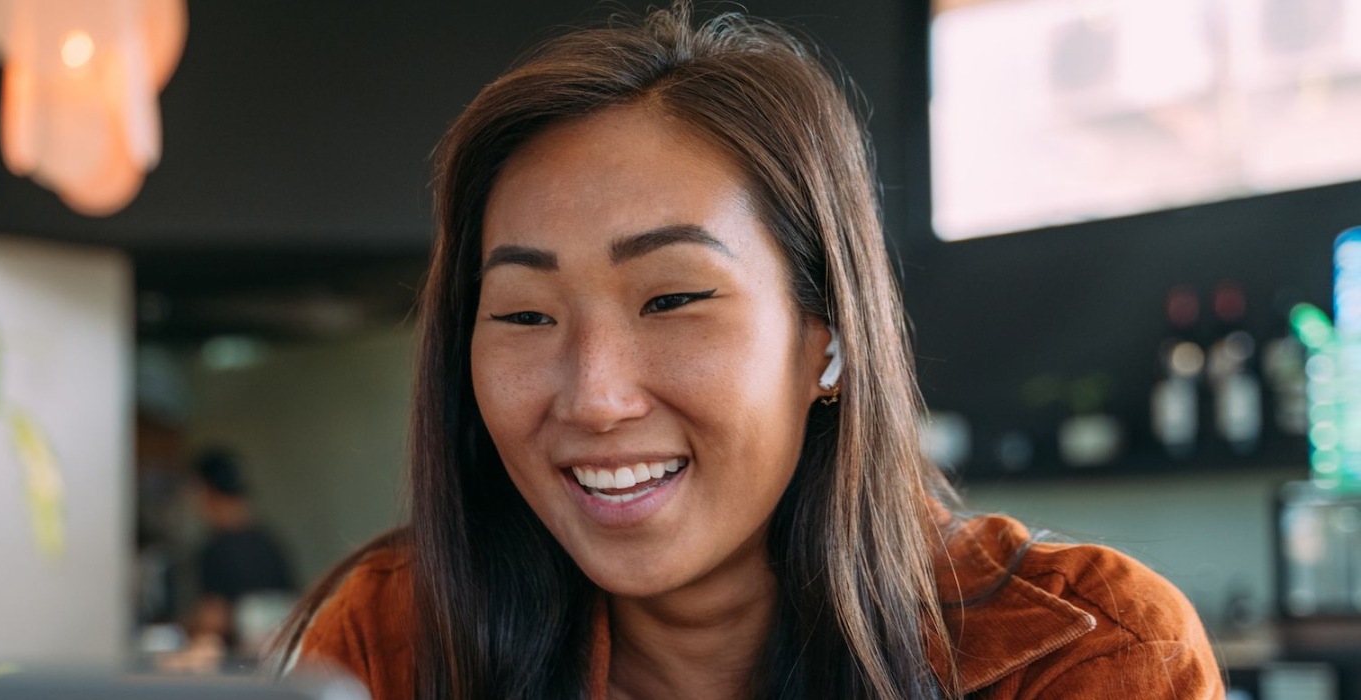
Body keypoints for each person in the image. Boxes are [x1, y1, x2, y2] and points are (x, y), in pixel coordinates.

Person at [278, 4, 1221, 699]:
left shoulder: (1088, 657)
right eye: (525, 316)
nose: (595, 397)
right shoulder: (391, 640)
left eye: (675, 298)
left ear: (829, 338)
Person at [185, 448, 296, 661]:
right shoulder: (271, 543)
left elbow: (214, 619)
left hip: (238, 669)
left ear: (206, 491)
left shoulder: (216, 549)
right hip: (278, 668)